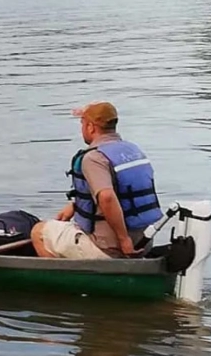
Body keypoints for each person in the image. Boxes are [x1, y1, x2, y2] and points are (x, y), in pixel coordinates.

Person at [31, 101, 163, 260]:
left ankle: (66, 281)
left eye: (82, 124)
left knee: (39, 231)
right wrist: (76, 205)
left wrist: (124, 240)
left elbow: (107, 198)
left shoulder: (94, 158)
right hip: (143, 242)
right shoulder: (132, 150)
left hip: (110, 248)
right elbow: (123, 192)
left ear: (91, 127)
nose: (82, 129)